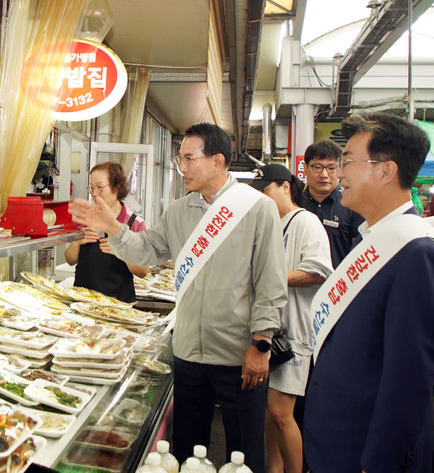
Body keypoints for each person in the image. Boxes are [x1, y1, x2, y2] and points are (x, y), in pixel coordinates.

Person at [69, 122, 287, 472]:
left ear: (218, 160)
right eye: (179, 158)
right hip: (188, 353)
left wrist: (261, 344)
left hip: (238, 355)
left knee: (244, 454)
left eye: (189, 158)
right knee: (186, 451)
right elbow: (145, 250)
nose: (181, 167)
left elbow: (271, 282)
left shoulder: (257, 208)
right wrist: (113, 227)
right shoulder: (178, 210)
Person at [303, 113, 434, 472]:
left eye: (348, 161)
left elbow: (408, 380)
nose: (340, 173)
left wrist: (379, 463)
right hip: (334, 442)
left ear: (386, 171)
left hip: (363, 454)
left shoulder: (418, 255)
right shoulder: (370, 240)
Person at [249, 164, 332, 473]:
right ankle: (274, 468)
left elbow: (319, 271)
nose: (263, 198)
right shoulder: (272, 223)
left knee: (282, 413)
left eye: (266, 191)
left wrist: (272, 279)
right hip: (270, 330)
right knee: (270, 412)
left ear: (285, 186)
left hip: (294, 333)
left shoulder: (306, 222)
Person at [64, 161, 148, 302]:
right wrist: (77, 243)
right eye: (91, 188)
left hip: (118, 305)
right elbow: (70, 260)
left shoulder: (134, 223)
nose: (94, 194)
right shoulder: (84, 218)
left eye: (100, 188)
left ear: (116, 187)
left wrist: (122, 251)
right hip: (83, 301)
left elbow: (142, 271)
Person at [302, 140, 363, 267]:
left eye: (331, 168)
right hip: (298, 283)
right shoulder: (295, 203)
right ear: (305, 167)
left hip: (340, 283)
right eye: (317, 167)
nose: (324, 175)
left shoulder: (352, 205)